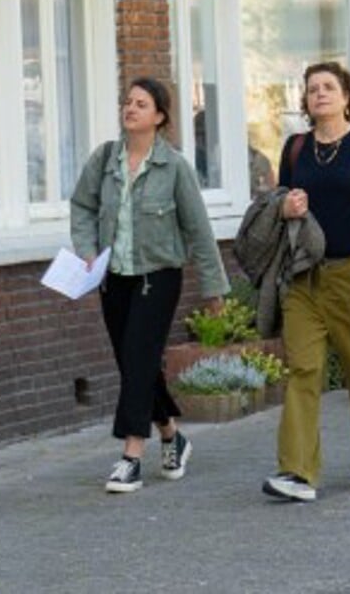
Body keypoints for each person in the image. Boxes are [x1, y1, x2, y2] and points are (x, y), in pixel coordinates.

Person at [70, 77, 229, 494]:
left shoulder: (174, 166)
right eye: (128, 102)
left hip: (157, 279)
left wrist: (214, 290)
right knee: (133, 363)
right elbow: (82, 206)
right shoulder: (105, 159)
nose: (131, 108)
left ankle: (130, 456)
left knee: (139, 358)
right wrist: (86, 250)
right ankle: (172, 435)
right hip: (113, 279)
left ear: (159, 116)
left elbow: (198, 230)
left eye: (141, 103)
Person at [262, 63, 350, 503]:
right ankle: (297, 472)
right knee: (303, 369)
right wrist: (287, 208)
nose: (319, 94)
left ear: (346, 97)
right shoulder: (296, 148)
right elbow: (279, 203)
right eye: (312, 89)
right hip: (305, 277)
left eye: (328, 87)